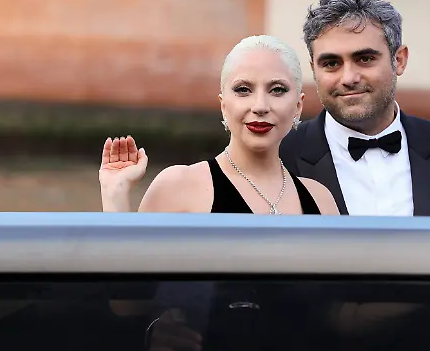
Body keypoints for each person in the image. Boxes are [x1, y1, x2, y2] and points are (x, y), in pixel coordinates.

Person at [280, 0, 430, 217]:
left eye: (365, 59)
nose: (348, 78)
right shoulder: (280, 155)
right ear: (313, 70)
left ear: (399, 60)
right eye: (331, 63)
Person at [99, 35, 339, 216]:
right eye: (243, 89)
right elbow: (131, 279)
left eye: (277, 90)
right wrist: (115, 194)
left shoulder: (321, 200)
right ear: (224, 105)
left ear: (298, 106)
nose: (260, 106)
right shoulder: (178, 186)